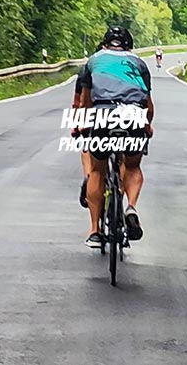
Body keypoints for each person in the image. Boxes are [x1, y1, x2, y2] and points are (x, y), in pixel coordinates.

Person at [78, 26, 154, 249]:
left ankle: (95, 231)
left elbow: (85, 101)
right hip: (133, 116)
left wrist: (84, 124)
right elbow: (147, 103)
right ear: (129, 46)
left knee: (97, 171)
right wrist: (147, 125)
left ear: (105, 44)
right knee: (132, 166)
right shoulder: (139, 63)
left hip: (102, 115)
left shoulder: (93, 61)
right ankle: (131, 207)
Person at [72, 41, 106, 209]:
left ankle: (88, 176)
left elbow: (78, 102)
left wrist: (76, 125)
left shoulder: (87, 70)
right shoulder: (124, 69)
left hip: (93, 117)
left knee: (86, 143)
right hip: (122, 117)